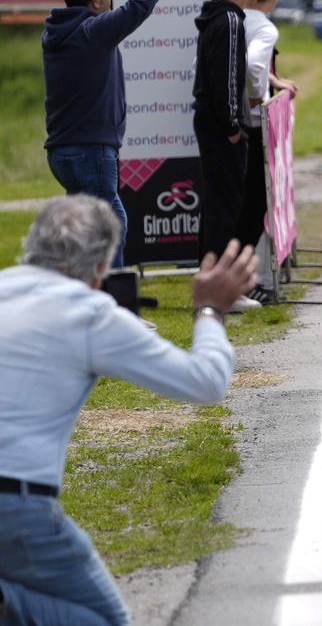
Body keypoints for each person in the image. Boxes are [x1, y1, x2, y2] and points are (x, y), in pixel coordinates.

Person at [0, 197, 256, 626]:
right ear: (101, 267)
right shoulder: (89, 313)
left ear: (33, 244)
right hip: (16, 500)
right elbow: (205, 381)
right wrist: (210, 309)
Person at [42, 0, 175, 276]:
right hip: (92, 153)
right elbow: (139, 6)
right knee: (108, 229)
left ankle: (94, 297)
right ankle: (112, 306)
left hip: (64, 152)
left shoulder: (59, 29)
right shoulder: (94, 33)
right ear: (96, 1)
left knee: (100, 227)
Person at [194, 0, 266, 262]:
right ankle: (220, 282)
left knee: (217, 204)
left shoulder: (218, 16)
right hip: (221, 125)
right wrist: (233, 126)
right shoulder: (230, 21)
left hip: (211, 121)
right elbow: (227, 77)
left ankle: (210, 275)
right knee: (226, 205)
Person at [237, 0, 296, 306]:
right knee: (252, 206)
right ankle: (243, 282)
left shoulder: (231, 16)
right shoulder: (261, 24)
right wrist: (260, 95)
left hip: (230, 121)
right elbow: (252, 66)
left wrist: (273, 80)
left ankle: (243, 279)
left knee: (243, 207)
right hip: (252, 126)